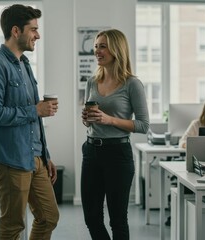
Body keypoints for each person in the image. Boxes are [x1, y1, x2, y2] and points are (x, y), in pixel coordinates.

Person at [0, 4, 59, 239]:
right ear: (15, 31)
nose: (38, 35)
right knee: (13, 225)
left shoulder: (24, 64)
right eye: (33, 29)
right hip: (10, 157)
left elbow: (34, 117)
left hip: (35, 156)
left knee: (49, 216)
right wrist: (35, 110)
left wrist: (45, 154)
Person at [81, 29, 150, 240]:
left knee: (117, 219)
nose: (97, 51)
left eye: (102, 46)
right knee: (92, 217)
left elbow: (143, 125)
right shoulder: (92, 82)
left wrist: (110, 119)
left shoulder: (132, 84)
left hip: (117, 154)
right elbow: (88, 120)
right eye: (96, 46)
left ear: (116, 50)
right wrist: (86, 118)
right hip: (91, 151)